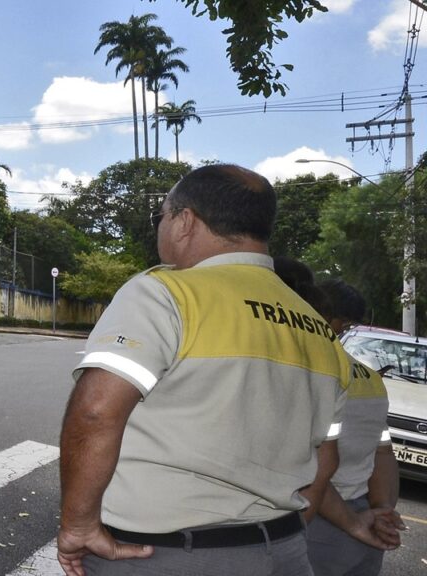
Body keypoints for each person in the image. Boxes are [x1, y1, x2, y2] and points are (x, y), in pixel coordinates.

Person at [57, 165, 351, 576]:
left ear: (185, 221)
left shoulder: (166, 293)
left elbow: (96, 411)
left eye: (159, 217)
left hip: (167, 556)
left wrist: (78, 524)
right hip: (284, 553)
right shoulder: (321, 333)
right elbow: (328, 456)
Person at [306, 277, 403, 576]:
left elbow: (313, 466)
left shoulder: (310, 373)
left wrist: (355, 521)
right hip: (362, 520)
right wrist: (382, 510)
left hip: (318, 522)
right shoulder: (371, 380)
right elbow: (383, 453)